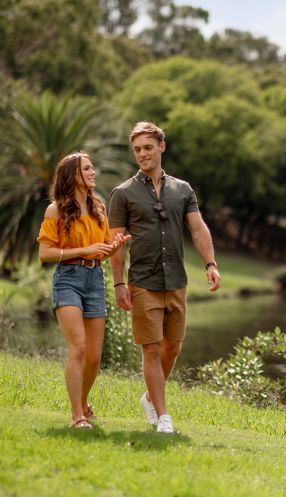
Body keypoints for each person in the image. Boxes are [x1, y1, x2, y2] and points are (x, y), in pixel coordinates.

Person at [108, 121, 221, 434]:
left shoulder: (182, 190)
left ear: (161, 147)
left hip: (177, 281)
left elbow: (197, 229)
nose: (142, 154)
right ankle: (162, 416)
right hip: (143, 281)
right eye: (137, 150)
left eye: (147, 147)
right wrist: (118, 284)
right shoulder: (123, 193)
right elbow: (115, 245)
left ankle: (149, 397)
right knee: (152, 349)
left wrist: (210, 263)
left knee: (173, 348)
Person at [37, 152, 130, 429]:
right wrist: (84, 250)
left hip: (95, 280)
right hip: (67, 279)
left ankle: (84, 402)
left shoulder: (99, 208)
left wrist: (112, 247)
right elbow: (45, 253)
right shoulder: (55, 210)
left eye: (92, 168)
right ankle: (76, 415)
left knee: (94, 356)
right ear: (72, 175)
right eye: (87, 169)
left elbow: (99, 251)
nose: (93, 173)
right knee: (78, 348)